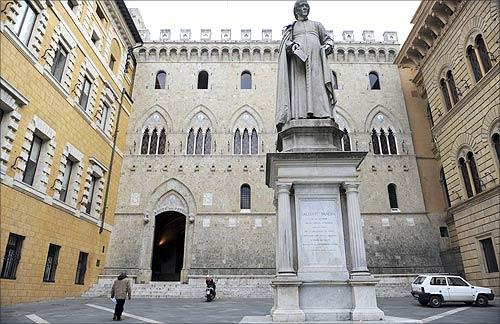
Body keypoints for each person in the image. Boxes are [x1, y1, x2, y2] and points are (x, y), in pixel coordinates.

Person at [276, 0, 337, 132]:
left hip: (316, 62)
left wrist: (327, 46)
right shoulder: (291, 28)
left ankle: (322, 114)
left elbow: (328, 39)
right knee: (300, 89)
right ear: (296, 10)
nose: (305, 8)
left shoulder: (317, 25)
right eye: (302, 6)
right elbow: (285, 43)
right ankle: (300, 115)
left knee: (318, 86)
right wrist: (292, 46)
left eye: (306, 6)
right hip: (298, 65)